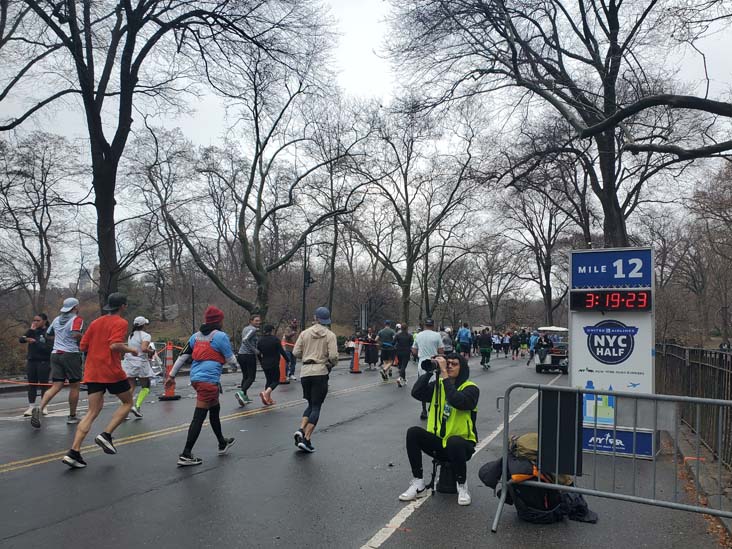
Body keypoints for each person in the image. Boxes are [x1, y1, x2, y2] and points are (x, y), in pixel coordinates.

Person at [62, 293, 138, 468]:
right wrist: (130, 350)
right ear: (123, 306)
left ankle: (74, 452)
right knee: (127, 402)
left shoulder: (96, 322)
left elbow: (83, 346)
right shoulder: (121, 322)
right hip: (111, 371)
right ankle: (107, 435)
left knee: (92, 411)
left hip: (93, 371)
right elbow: (114, 345)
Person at [399, 353, 479, 506]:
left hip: (462, 446)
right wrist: (430, 370)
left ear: (462, 368)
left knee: (454, 441)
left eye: (453, 364)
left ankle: (462, 485)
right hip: (439, 443)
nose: (448, 366)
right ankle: (418, 483)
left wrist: (444, 376)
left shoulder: (471, 389)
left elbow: (457, 401)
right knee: (413, 432)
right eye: (446, 363)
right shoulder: (439, 385)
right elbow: (416, 392)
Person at [167, 305, 237, 466]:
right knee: (199, 417)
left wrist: (171, 376)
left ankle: (222, 442)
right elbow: (231, 359)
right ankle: (186, 453)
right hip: (208, 382)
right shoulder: (220, 336)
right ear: (219, 321)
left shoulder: (195, 337)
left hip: (196, 380)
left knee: (215, 409)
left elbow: (182, 357)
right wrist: (235, 367)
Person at [31, 297, 84, 428]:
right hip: (70, 354)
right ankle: (72, 416)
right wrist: (86, 338)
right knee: (75, 386)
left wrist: (60, 338)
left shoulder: (56, 319)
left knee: (56, 385)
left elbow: (48, 334)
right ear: (75, 308)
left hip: (55, 354)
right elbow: (75, 334)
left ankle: (39, 407)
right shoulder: (76, 319)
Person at [292, 306, 338, 453]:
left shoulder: (304, 333)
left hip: (305, 372)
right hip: (320, 371)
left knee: (310, 404)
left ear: (315, 318)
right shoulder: (330, 335)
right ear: (326, 320)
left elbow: (295, 352)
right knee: (317, 406)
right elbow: (333, 356)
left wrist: (306, 357)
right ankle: (306, 438)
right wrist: (330, 364)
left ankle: (301, 430)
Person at [19, 313, 53, 417]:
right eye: (34, 320)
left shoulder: (49, 332)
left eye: (38, 320)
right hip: (32, 361)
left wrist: (35, 342)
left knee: (43, 384)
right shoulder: (33, 331)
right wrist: (29, 333)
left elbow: (48, 348)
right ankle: (31, 407)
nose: (35, 322)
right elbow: (21, 339)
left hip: (44, 361)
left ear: (44, 321)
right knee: (32, 384)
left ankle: (44, 406)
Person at [411, 318, 444, 420]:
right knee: (435, 385)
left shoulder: (419, 335)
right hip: (434, 362)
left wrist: (418, 357)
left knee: (422, 385)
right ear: (433, 325)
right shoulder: (437, 335)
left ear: (424, 325)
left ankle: (424, 409)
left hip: (422, 363)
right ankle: (433, 405)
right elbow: (441, 351)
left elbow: (414, 350)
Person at [122, 316, 154, 419]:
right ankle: (137, 406)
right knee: (146, 386)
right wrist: (151, 351)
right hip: (141, 363)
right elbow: (144, 349)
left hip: (130, 362)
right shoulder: (146, 336)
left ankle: (125, 411)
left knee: (131, 386)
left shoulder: (130, 335)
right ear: (144, 325)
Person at [257, 324, 289, 405]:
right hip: (274, 362)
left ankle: (268, 399)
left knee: (268, 380)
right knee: (276, 381)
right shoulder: (275, 340)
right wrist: (287, 360)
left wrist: (261, 361)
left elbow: (258, 353)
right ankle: (266, 393)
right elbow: (281, 351)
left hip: (264, 362)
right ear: (271, 331)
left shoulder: (260, 340)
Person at [236, 314, 261, 406]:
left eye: (259, 321)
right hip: (248, 355)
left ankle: (244, 397)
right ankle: (241, 392)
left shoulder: (245, 328)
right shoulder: (253, 329)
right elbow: (245, 340)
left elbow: (245, 340)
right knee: (251, 377)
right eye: (256, 321)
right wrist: (255, 350)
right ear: (251, 321)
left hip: (241, 355)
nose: (258, 322)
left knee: (245, 376)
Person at [394, 323, 413, 388]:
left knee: (401, 365)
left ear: (401, 328)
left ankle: (404, 379)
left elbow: (393, 342)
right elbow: (412, 343)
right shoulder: (410, 335)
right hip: (406, 352)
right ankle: (400, 378)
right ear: (407, 328)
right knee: (403, 366)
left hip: (399, 351)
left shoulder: (397, 335)